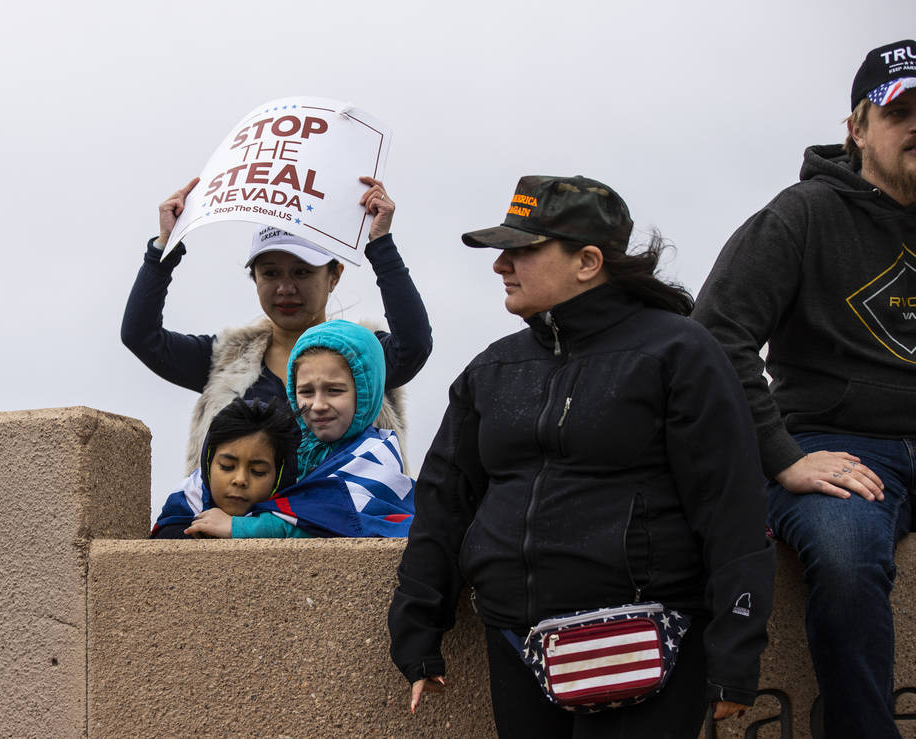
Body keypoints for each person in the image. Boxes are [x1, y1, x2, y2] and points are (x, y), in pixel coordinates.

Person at [387, 175, 775, 736]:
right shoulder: (492, 369)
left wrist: (735, 655)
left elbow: (732, 507)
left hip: (643, 644)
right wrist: (418, 629)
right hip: (516, 644)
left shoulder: (679, 352)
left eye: (521, 250)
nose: (501, 265)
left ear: (588, 261)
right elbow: (445, 502)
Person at [692, 40, 916, 738]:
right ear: (857, 128)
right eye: (901, 111)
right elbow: (715, 336)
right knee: (847, 557)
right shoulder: (802, 215)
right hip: (833, 445)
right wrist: (783, 455)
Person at [121, 176, 432, 473]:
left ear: (334, 275)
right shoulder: (225, 360)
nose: (285, 288)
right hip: (231, 527)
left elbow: (414, 344)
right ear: (254, 278)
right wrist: (164, 247)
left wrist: (381, 244)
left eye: (302, 272)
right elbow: (141, 335)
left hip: (344, 525)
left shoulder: (364, 357)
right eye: (270, 273)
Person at [187, 320, 416, 539]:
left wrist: (241, 527)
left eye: (334, 390)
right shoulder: (286, 449)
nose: (317, 405)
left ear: (366, 391)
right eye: (306, 392)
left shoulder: (376, 457)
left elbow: (335, 524)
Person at [151, 397, 300, 539]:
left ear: (278, 477)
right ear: (208, 465)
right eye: (227, 467)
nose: (240, 480)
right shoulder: (179, 521)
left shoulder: (299, 518)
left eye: (257, 471)